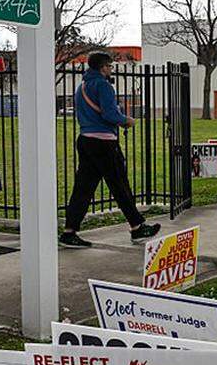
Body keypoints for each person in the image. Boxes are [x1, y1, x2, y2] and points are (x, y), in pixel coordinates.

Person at [60, 52, 161, 249]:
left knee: (83, 188)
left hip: (85, 140)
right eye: (110, 66)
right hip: (104, 142)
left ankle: (69, 231)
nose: (111, 69)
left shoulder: (81, 87)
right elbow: (109, 113)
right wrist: (126, 120)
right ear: (103, 67)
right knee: (119, 184)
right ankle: (137, 226)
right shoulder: (103, 85)